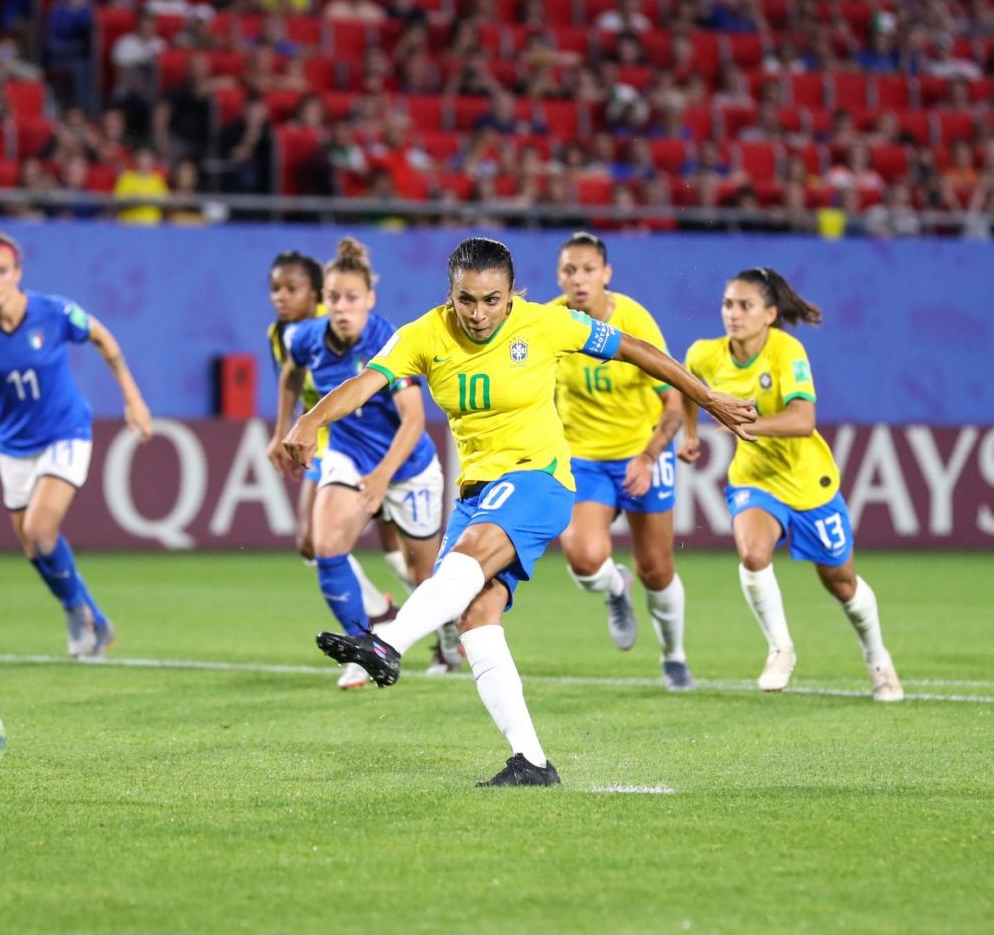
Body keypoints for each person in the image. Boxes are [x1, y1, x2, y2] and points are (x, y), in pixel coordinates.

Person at [285, 238, 756, 787]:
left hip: (538, 478)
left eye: (492, 300)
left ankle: (387, 641)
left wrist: (707, 397)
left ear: (512, 295)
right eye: (466, 300)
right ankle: (531, 762)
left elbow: (634, 349)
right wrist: (310, 420)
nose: (479, 313)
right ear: (450, 294)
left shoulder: (546, 323)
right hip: (476, 493)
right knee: (475, 617)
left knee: (465, 561)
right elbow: (365, 384)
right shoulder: (423, 335)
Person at [681, 268, 903, 702]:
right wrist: (690, 434)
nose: (733, 314)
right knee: (753, 553)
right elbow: (689, 387)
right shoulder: (706, 354)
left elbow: (803, 420)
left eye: (745, 306)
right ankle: (780, 648)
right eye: (728, 304)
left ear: (770, 314)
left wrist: (748, 426)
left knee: (842, 584)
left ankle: (878, 659)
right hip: (755, 478)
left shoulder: (786, 350)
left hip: (808, 483)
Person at [0, 231, 152, 658]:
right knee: (33, 548)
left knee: (39, 529)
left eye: (1, 271)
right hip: (15, 444)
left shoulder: (54, 312)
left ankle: (76, 614)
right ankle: (93, 619)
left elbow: (103, 337)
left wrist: (133, 398)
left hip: (65, 431)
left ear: (18, 273)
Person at [262, 250, 463, 670]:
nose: (342, 307)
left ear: (370, 299)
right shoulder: (305, 337)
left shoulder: (389, 341)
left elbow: (414, 421)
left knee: (422, 575)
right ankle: (362, 649)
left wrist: (382, 477)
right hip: (349, 455)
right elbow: (291, 373)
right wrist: (283, 429)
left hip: (406, 466)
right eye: (334, 298)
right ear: (324, 300)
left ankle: (448, 633)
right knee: (325, 547)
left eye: (352, 298)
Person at [548, 232, 692, 691]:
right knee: (584, 559)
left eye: (588, 270)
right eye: (570, 270)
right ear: (559, 276)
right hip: (584, 459)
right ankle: (616, 587)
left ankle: (674, 656)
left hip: (641, 452)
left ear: (606, 274)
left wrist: (649, 455)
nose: (579, 279)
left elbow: (673, 403)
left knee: (657, 570)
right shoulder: (550, 323)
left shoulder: (635, 320)